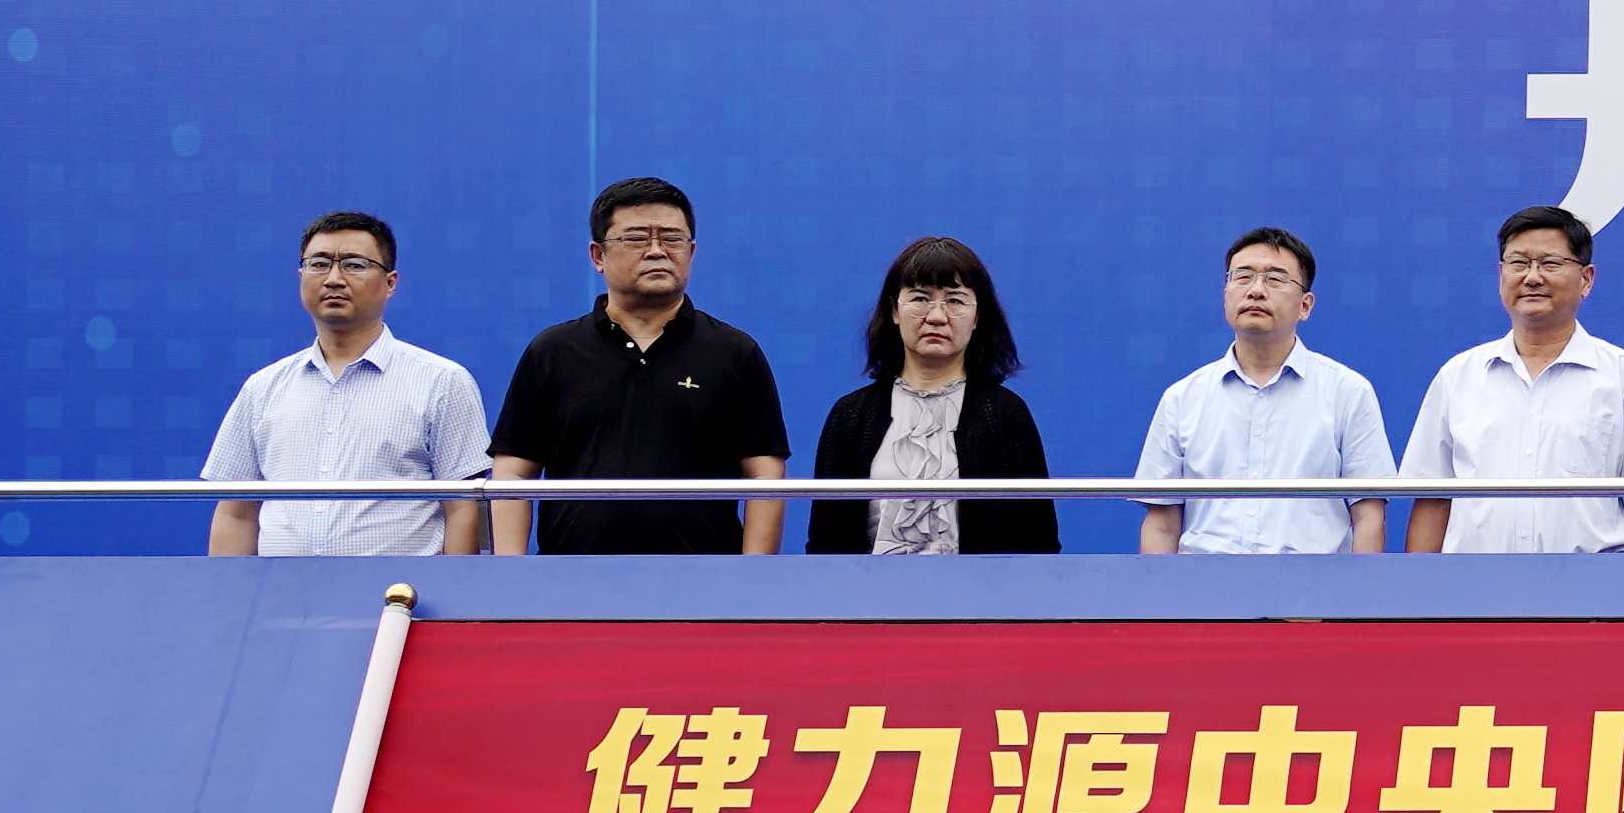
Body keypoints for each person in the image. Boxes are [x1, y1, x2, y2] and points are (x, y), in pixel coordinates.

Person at [487, 175, 785, 555]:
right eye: (637, 239)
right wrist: (512, 572)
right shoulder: (552, 352)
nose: (657, 251)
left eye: (672, 239)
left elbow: (765, 475)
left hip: (705, 577)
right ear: (598, 255)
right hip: (571, 575)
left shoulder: (735, 353)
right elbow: (514, 471)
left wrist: (752, 574)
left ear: (691, 251)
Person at [199, 208, 488, 557]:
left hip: (398, 589)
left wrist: (454, 590)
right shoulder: (263, 388)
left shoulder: (441, 381)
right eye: (319, 264)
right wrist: (229, 590)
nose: (334, 278)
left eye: (354, 265)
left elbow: (463, 507)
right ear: (301, 275)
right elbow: (236, 513)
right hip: (281, 588)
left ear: (390, 283)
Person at [1400, 204, 1624, 553]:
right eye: (1519, 263)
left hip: (1592, 583)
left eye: (1550, 263)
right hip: (1474, 582)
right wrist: (1420, 587)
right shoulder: (1458, 377)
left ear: (1586, 279)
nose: (1532, 277)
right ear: (1501, 274)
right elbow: (1432, 500)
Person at [1131, 226, 1393, 554]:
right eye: (1243, 277)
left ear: (1305, 305)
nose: (1256, 291)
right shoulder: (1182, 398)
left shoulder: (1348, 392)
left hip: (1313, 583)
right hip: (1205, 582)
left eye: (1275, 279)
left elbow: (1369, 515)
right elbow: (1161, 523)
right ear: (1225, 295)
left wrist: (1358, 589)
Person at [807, 236, 1063, 555]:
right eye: (920, 298)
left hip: (979, 588)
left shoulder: (1006, 414)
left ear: (977, 317)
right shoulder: (851, 415)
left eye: (955, 301)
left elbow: (1038, 540)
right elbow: (825, 543)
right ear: (895, 310)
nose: (937, 317)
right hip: (867, 587)